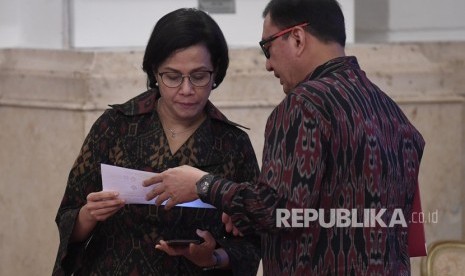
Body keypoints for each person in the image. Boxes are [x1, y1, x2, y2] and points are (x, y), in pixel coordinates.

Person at [144, 0, 426, 275]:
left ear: (297, 38)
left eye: (267, 47)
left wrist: (203, 184)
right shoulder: (393, 114)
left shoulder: (305, 104)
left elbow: (279, 210)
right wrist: (244, 211)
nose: (268, 65)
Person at [53, 8, 261, 276]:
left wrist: (214, 257)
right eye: (173, 77)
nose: (186, 90)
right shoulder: (115, 126)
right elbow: (68, 218)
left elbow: (253, 241)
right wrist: (89, 215)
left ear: (216, 71)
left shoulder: (233, 143)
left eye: (199, 76)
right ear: (154, 71)